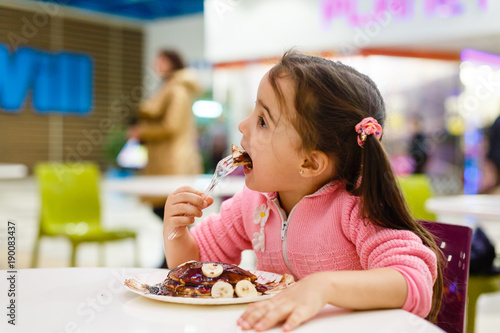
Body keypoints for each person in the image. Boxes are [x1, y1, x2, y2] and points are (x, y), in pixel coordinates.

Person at [162, 51, 444, 331]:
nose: (242, 125)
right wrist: (176, 232)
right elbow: (194, 269)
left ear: (309, 162)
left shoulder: (357, 206)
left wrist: (324, 287)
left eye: (263, 121)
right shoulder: (253, 203)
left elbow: (414, 283)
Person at [129, 50, 203, 219]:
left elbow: (171, 126)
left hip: (173, 160)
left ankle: (175, 246)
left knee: (171, 211)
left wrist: (142, 131)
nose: (156, 65)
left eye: (161, 61)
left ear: (172, 63)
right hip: (164, 158)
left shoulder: (176, 89)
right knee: (167, 212)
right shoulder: (169, 87)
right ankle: (171, 246)